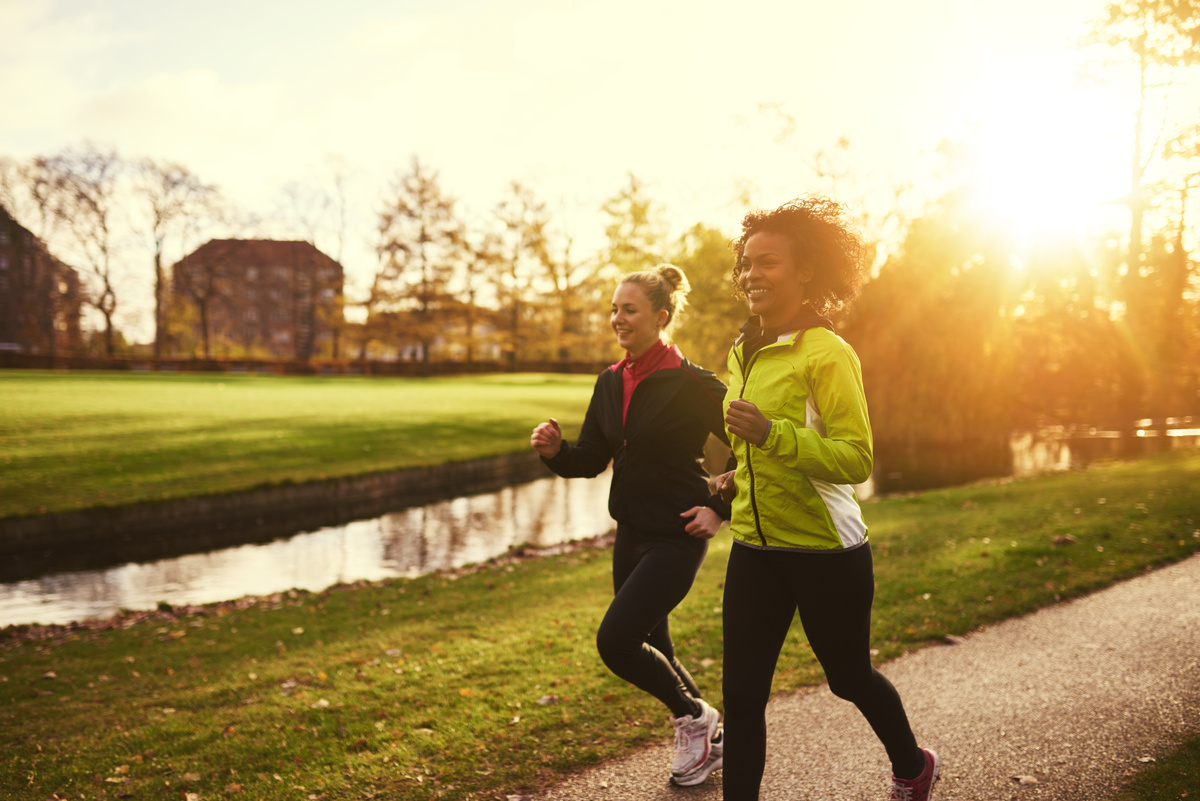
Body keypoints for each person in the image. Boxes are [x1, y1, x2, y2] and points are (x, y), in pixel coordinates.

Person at [717, 198, 940, 800]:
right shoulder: (742, 351)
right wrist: (737, 477)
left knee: (847, 678)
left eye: (768, 262)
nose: (751, 274)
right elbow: (755, 452)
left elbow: (855, 459)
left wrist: (772, 434)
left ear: (806, 271)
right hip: (755, 549)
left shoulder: (827, 352)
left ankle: (914, 765)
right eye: (745, 263)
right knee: (740, 697)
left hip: (824, 550)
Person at [531, 264, 732, 787]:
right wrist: (557, 453)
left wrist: (721, 507)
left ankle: (695, 720)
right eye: (614, 309)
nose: (617, 319)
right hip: (632, 532)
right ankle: (711, 735)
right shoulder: (610, 380)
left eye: (629, 310)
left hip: (678, 533)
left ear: (661, 317)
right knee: (655, 647)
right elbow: (594, 457)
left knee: (616, 641)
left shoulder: (693, 381)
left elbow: (751, 444)